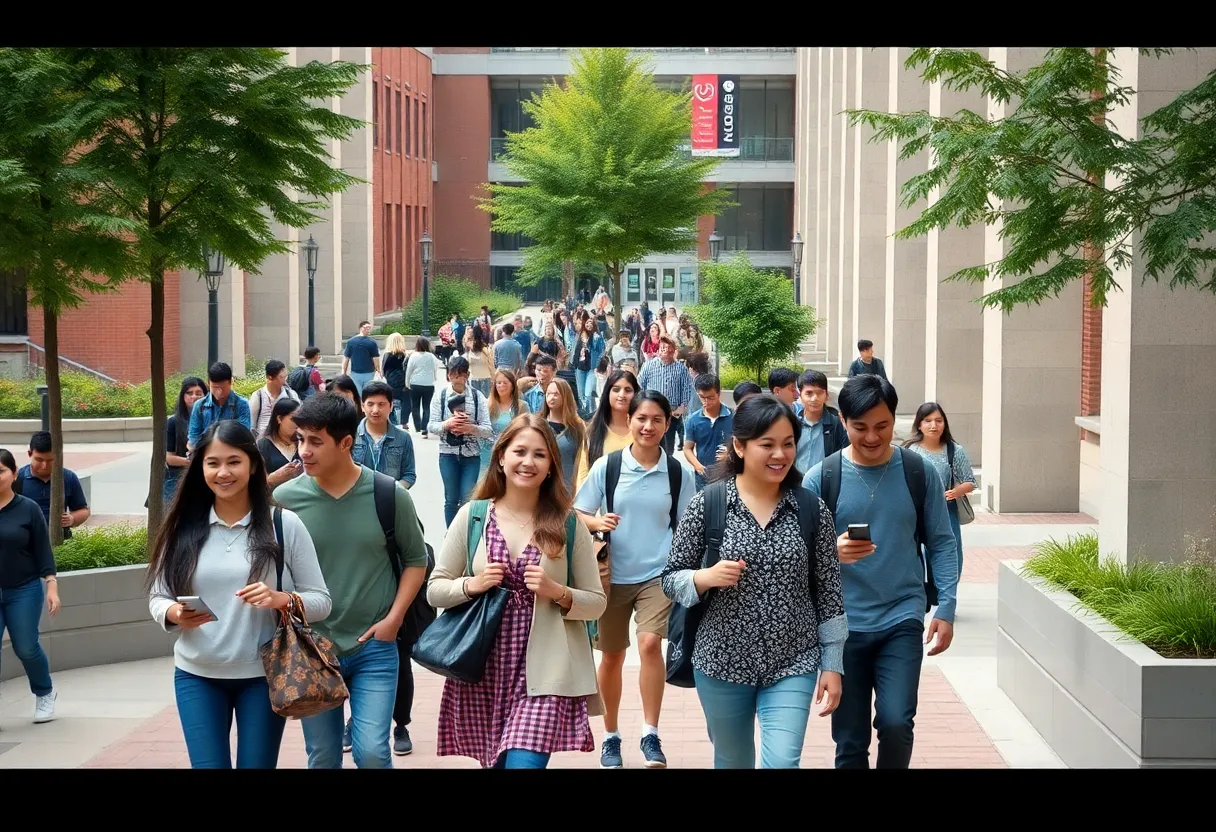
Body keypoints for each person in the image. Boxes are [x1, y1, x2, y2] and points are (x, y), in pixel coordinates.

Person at [661, 395, 847, 768]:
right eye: (768, 444)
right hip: (721, 661)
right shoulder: (709, 504)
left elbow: (829, 592)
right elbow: (670, 578)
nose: (780, 454)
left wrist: (833, 663)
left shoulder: (811, 509)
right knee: (733, 760)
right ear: (740, 447)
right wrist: (704, 577)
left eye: (788, 443)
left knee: (782, 762)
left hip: (794, 659)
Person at [146, 421, 331, 768]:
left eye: (233, 461)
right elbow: (158, 596)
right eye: (213, 463)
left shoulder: (283, 525)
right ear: (200, 467)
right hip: (196, 675)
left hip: (262, 679)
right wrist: (173, 613)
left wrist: (281, 599)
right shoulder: (182, 527)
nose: (223, 472)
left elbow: (321, 601)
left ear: (253, 465)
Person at [428, 414, 607, 768]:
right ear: (501, 456)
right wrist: (472, 585)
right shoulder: (473, 517)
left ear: (552, 465)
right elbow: (435, 589)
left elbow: (597, 602)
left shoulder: (568, 524)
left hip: (545, 671)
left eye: (540, 455)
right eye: (520, 451)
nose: (528, 462)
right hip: (483, 667)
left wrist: (558, 591)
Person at [801, 375, 959, 769]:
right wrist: (830, 551)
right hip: (843, 625)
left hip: (902, 616)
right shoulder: (822, 479)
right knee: (850, 740)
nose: (872, 437)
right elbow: (798, 560)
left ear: (895, 420)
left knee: (895, 722)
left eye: (882, 426)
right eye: (860, 428)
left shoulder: (919, 472)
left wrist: (946, 606)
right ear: (844, 422)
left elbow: (941, 541)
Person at [273, 393, 430, 769]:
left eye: (315, 441)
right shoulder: (285, 500)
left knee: (373, 753)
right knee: (323, 757)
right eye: (299, 440)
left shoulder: (388, 495)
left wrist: (393, 620)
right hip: (313, 648)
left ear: (346, 443)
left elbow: (416, 560)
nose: (303, 451)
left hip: (374, 646)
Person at [573, 391, 694, 769]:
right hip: (610, 576)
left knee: (648, 645)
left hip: (658, 574)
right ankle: (610, 737)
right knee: (611, 655)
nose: (648, 426)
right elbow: (577, 512)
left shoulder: (678, 472)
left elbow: (691, 523)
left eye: (657, 419)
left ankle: (650, 733)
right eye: (642, 418)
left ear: (667, 425)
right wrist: (598, 522)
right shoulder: (607, 467)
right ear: (630, 421)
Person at [0, 448, 61, 724]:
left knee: (25, 646)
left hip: (22, 589)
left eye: (1, 471)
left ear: (14, 473)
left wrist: (51, 586)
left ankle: (44, 692)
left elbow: (43, 552)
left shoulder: (28, 508)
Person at [903, 402, 977, 574]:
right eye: (927, 421)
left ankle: (945, 595)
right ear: (919, 425)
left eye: (938, 420)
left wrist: (956, 491)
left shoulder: (954, 450)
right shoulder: (909, 450)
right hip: (916, 511)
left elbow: (970, 481)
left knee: (949, 557)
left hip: (946, 511)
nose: (933, 426)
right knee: (916, 555)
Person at [429, 356, 492, 527]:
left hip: (471, 455)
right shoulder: (440, 396)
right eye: (453, 375)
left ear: (467, 375)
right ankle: (450, 534)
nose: (457, 379)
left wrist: (471, 428)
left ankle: (465, 536)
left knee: (467, 499)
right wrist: (447, 424)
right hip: (447, 454)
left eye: (461, 375)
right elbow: (431, 425)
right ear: (448, 375)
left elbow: (488, 430)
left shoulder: (478, 397)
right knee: (450, 499)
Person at [18, 431, 89, 540]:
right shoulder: (18, 478)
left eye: (50, 460)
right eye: (39, 460)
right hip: (26, 542)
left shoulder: (68, 477)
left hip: (60, 541)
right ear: (29, 454)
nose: (44, 465)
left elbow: (83, 510)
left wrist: (72, 519)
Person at [576, 368, 639, 491]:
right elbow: (583, 478)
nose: (622, 395)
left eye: (628, 390)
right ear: (607, 393)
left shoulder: (643, 431)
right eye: (616, 390)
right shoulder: (593, 433)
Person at [352, 381, 417, 489]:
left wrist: (393, 492)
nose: (375, 410)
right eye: (370, 404)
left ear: (391, 406)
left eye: (381, 404)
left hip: (390, 500)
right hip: (357, 500)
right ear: (362, 406)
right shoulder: (351, 437)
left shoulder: (403, 438)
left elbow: (409, 475)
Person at [682, 373, 733, 491]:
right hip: (703, 476)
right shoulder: (693, 420)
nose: (706, 402)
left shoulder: (733, 416)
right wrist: (698, 466)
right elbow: (687, 448)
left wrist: (730, 453)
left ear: (719, 394)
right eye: (702, 397)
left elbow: (743, 444)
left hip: (728, 474)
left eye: (711, 397)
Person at [794, 370, 849, 475]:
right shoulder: (793, 424)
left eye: (819, 393)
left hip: (824, 484)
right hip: (795, 484)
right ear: (800, 395)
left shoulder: (836, 424)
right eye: (809, 393)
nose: (814, 398)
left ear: (827, 395)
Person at [188, 362, 253, 450]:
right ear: (208, 383)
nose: (219, 392)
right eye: (214, 388)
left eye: (222, 388)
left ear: (230, 382)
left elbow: (243, 435)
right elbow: (193, 437)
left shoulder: (241, 404)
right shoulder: (200, 406)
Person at [163, 376, 206, 505]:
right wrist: (195, 463)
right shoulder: (173, 423)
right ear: (183, 396)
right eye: (189, 393)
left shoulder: (211, 419)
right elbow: (169, 458)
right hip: (178, 479)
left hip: (204, 479)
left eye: (199, 393)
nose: (194, 397)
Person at [540, 378, 586, 496]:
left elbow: (582, 460)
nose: (551, 397)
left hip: (568, 491)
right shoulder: (538, 424)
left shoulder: (577, 427)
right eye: (549, 393)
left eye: (556, 394)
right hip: (541, 490)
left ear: (565, 396)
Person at [483, 369, 528, 470]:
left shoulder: (521, 406)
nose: (501, 385)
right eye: (498, 383)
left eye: (505, 382)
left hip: (510, 455)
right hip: (486, 455)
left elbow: (527, 431)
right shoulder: (486, 404)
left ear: (512, 385)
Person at [256, 398, 305, 488]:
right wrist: (274, 478)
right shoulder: (263, 445)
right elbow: (256, 482)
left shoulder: (303, 442)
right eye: (294, 418)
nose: (298, 423)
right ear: (279, 419)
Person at [249, 360, 301, 438]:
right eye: (281, 377)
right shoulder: (258, 396)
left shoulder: (291, 395)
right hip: (263, 442)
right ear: (270, 377)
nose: (285, 380)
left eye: (285, 376)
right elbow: (251, 423)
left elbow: (298, 417)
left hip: (286, 440)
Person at [405, 336, 441, 437]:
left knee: (415, 406)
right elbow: (435, 368)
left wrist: (407, 383)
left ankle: (418, 427)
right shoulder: (431, 356)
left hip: (415, 383)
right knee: (426, 407)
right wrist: (434, 379)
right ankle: (424, 429)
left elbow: (409, 371)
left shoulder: (413, 356)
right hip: (428, 384)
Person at [381, 332, 412, 428]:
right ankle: (404, 422)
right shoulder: (405, 355)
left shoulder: (387, 355)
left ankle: (391, 421)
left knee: (390, 402)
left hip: (391, 383)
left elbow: (383, 370)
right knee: (406, 402)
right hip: (404, 383)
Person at [342, 320, 381, 393]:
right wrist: (344, 372)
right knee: (367, 394)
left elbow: (346, 358)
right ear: (361, 328)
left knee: (358, 394)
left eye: (370, 327)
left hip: (360, 373)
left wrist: (344, 372)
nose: (369, 329)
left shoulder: (351, 341)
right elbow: (376, 359)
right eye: (367, 327)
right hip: (364, 373)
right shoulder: (371, 342)